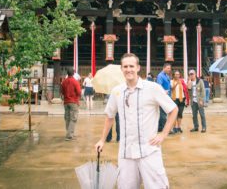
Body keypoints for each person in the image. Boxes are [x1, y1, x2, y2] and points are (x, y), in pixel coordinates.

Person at [95, 53, 178, 189]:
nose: (129, 69)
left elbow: (173, 109)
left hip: (149, 150)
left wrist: (163, 134)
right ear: (121, 69)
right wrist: (102, 140)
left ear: (138, 67)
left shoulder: (152, 88)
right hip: (126, 152)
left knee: (157, 186)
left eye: (131, 66)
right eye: (125, 66)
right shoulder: (117, 92)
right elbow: (110, 116)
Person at [60, 68, 81, 141]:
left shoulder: (64, 82)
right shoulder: (75, 82)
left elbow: (62, 92)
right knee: (73, 118)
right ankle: (69, 135)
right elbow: (79, 92)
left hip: (66, 102)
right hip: (74, 101)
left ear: (67, 73)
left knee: (67, 118)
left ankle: (69, 133)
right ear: (73, 73)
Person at [156, 63, 172, 132]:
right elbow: (159, 86)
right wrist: (163, 91)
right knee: (163, 113)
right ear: (164, 68)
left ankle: (160, 127)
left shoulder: (166, 75)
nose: (169, 69)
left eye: (170, 68)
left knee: (164, 112)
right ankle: (164, 129)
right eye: (168, 68)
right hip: (163, 96)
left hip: (167, 96)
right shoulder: (160, 76)